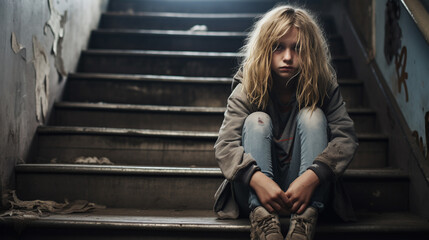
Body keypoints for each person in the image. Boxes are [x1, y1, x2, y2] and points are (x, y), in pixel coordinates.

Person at [213, 5, 359, 240]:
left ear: (309, 51)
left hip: (306, 192)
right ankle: (262, 220)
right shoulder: (247, 86)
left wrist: (311, 178)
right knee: (256, 121)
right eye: (278, 47)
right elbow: (225, 146)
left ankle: (305, 220)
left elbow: (346, 138)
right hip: (254, 192)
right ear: (264, 49)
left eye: (297, 48)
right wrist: (258, 179)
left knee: (313, 116)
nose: (288, 57)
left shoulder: (324, 85)